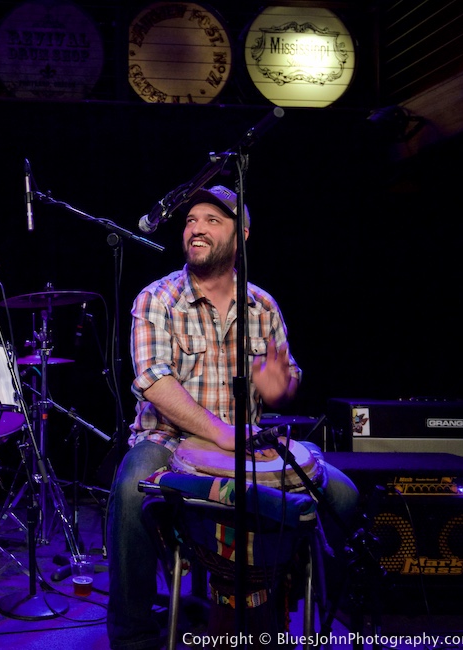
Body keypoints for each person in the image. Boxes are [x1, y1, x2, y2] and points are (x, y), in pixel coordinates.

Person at [106, 185, 358, 650]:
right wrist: (223, 434)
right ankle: (132, 636)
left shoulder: (263, 307)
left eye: (211, 221)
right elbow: (155, 383)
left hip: (249, 442)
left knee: (343, 494)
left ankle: (314, 619)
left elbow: (287, 379)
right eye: (191, 221)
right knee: (128, 490)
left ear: (240, 235)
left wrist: (281, 388)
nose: (196, 229)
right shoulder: (156, 299)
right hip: (166, 438)